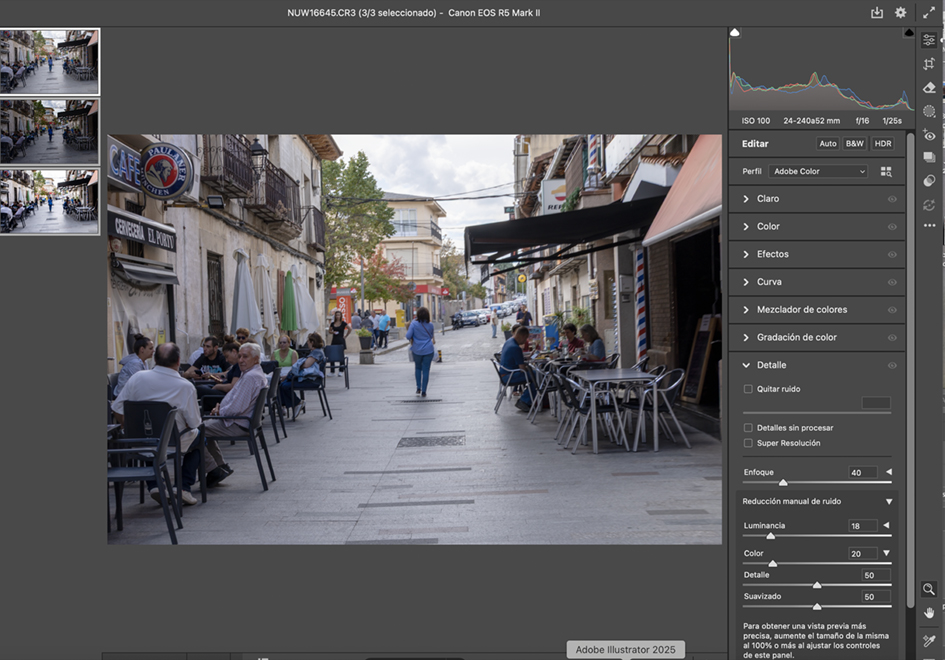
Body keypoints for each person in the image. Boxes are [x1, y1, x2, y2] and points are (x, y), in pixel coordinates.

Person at [111, 343, 204, 506]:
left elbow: (116, 407)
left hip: (141, 442)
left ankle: (154, 485)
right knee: (200, 437)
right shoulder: (186, 386)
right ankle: (183, 487)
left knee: (148, 436)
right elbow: (194, 422)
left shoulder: (137, 378)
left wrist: (129, 428)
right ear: (178, 361)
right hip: (174, 442)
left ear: (154, 359)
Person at [202, 342, 269, 484]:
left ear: (256, 359)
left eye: (245, 357)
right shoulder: (251, 373)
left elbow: (236, 408)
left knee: (195, 432)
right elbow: (234, 399)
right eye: (239, 356)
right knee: (202, 428)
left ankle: (214, 469)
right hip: (241, 421)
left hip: (238, 423)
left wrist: (219, 411)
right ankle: (220, 466)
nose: (241, 360)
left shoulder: (251, 377)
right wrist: (220, 407)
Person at [280, 332, 326, 417]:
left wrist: (298, 365)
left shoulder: (316, 352)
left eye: (308, 341)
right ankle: (290, 405)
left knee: (284, 386)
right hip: (310, 378)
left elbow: (306, 365)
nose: (307, 343)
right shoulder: (317, 351)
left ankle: (296, 403)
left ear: (312, 342)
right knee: (283, 384)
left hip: (312, 381)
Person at [499, 326, 535, 412]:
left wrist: (525, 358)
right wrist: (530, 369)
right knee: (537, 376)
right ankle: (524, 401)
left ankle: (528, 399)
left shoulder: (509, 341)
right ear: (523, 336)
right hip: (509, 376)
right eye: (526, 338)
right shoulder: (516, 348)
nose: (525, 341)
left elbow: (515, 359)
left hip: (505, 374)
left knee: (535, 375)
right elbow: (523, 369)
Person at [406, 306, 436, 397]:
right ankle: (424, 391)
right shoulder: (430, 325)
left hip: (417, 349)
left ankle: (418, 387)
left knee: (418, 368)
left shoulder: (413, 324)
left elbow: (408, 336)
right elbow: (431, 336)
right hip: (428, 349)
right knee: (426, 370)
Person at [113, 334, 154, 398]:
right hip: (124, 398)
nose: (153, 350)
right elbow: (139, 384)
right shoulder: (134, 363)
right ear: (142, 349)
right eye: (150, 348)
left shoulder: (144, 361)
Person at [327, 309, 350, 376]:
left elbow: (350, 328)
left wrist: (345, 336)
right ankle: (332, 371)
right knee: (332, 355)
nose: (337, 316)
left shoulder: (343, 323)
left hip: (341, 340)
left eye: (339, 315)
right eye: (336, 315)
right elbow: (329, 331)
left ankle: (341, 370)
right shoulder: (332, 323)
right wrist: (333, 332)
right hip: (334, 340)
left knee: (341, 355)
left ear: (340, 316)